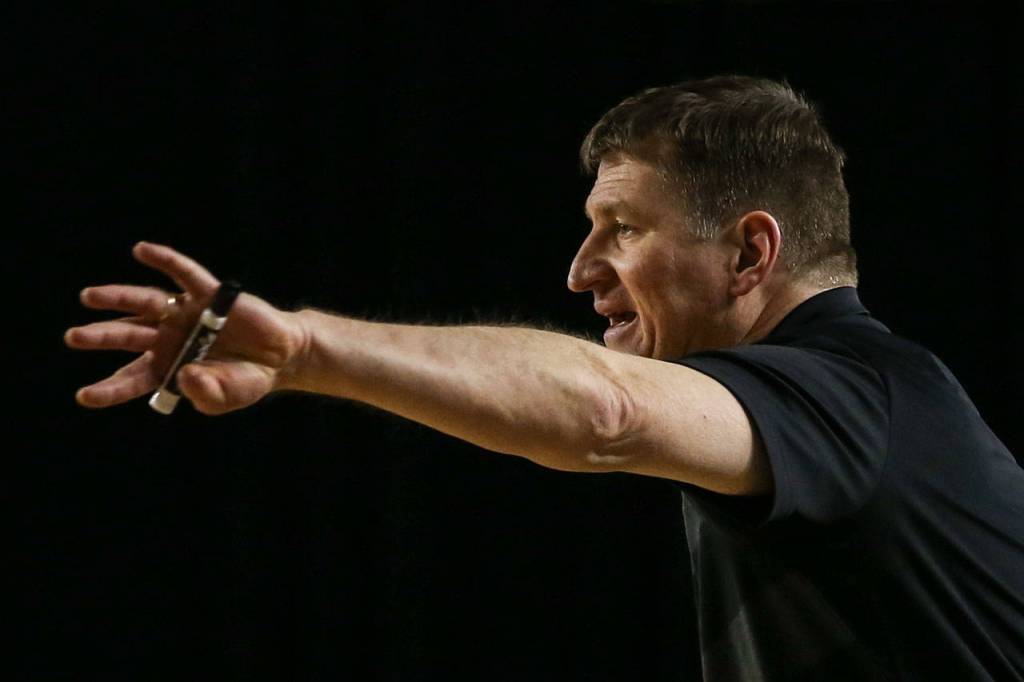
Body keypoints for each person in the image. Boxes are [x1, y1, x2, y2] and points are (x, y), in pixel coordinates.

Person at [65, 75, 1024, 680]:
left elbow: (604, 412)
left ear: (749, 253)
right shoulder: (853, 405)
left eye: (624, 228)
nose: (578, 270)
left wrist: (309, 350)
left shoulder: (854, 390)